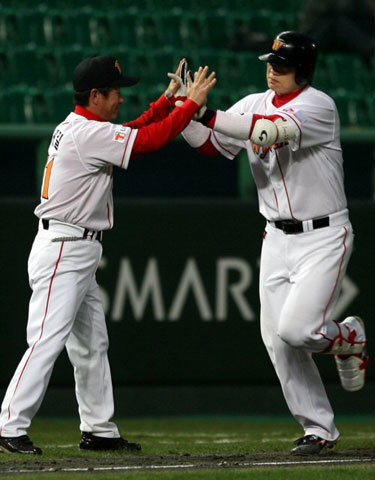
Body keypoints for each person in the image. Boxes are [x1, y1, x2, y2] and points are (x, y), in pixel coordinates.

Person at [0, 55, 216, 455]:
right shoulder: (86, 134)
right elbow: (146, 141)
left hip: (76, 248)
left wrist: (167, 102)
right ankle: (9, 424)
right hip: (64, 247)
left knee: (91, 344)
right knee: (47, 339)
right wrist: (189, 105)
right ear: (95, 95)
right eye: (115, 92)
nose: (120, 99)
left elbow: (131, 130)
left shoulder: (85, 127)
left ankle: (98, 429)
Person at [181, 31, 369, 456]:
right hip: (276, 236)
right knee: (276, 339)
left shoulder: (318, 106)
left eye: (282, 65)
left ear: (303, 71)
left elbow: (265, 135)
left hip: (322, 235)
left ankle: (349, 335)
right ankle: (319, 429)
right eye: (271, 61)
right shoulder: (253, 102)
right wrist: (184, 113)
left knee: (298, 330)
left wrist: (204, 113)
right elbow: (212, 146)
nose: (272, 69)